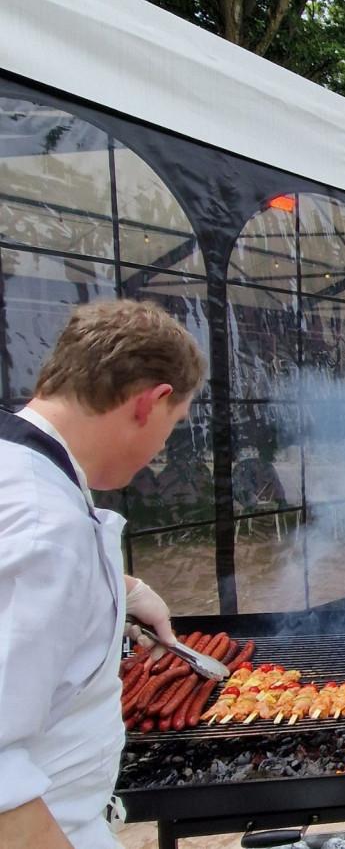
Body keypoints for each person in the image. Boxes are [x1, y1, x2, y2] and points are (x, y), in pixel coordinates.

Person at [0, 300, 204, 847]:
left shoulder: (20, 465)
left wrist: (125, 589)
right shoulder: (43, 526)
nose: (163, 447)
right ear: (151, 402)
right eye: (173, 425)